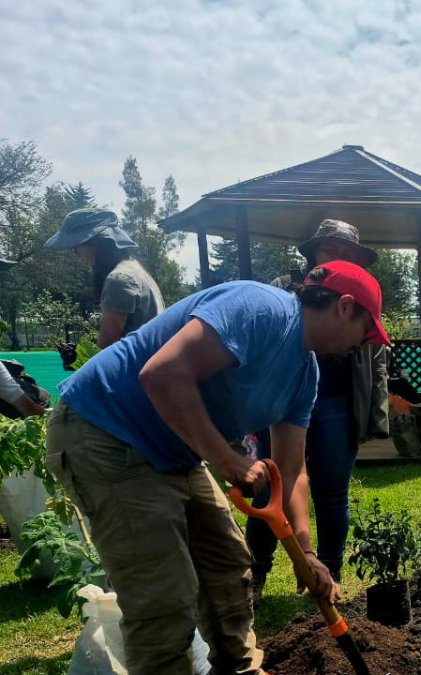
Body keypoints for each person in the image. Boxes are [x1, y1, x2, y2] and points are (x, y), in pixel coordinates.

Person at [43, 260, 389, 675]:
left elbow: (291, 470)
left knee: (228, 567)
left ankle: (239, 669)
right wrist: (227, 460)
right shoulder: (260, 308)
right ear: (345, 306)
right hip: (106, 430)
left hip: (174, 449)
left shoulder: (304, 374)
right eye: (367, 331)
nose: (365, 345)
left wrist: (306, 553)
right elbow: (163, 373)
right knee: (163, 597)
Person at [247, 220, 390, 599]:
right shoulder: (285, 291)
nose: (342, 258)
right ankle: (255, 575)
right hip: (281, 403)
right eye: (333, 250)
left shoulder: (359, 299)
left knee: (332, 493)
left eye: (350, 255)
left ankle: (324, 575)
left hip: (336, 403)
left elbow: (376, 359)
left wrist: (377, 412)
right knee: (270, 488)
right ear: (313, 253)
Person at [44, 208, 164, 348]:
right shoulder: (135, 269)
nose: (76, 254)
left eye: (76, 247)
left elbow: (108, 347)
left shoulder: (119, 279)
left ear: (94, 244)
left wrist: (82, 364)